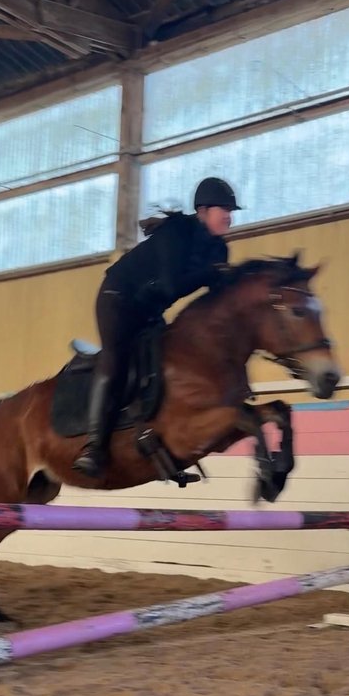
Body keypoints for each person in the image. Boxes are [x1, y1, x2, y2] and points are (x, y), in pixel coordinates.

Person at [72, 176, 241, 479]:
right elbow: (170, 286)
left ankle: (162, 447)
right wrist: (210, 273)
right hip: (118, 298)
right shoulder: (177, 232)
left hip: (150, 308)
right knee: (116, 360)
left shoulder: (219, 251)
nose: (229, 216)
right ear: (203, 210)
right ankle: (94, 447)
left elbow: (216, 300)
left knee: (170, 365)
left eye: (231, 211)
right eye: (224, 209)